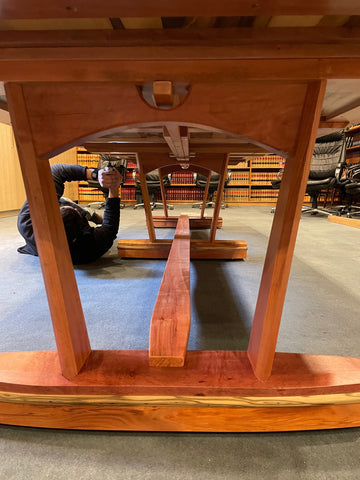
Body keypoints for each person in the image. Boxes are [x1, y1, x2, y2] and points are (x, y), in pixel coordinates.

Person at [17, 163, 123, 264]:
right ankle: (90, 214)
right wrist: (113, 187)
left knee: (62, 201)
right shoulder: (90, 247)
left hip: (49, 217)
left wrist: (96, 174)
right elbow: (109, 229)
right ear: (83, 228)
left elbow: (54, 171)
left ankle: (87, 213)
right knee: (67, 203)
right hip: (75, 222)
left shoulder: (27, 223)